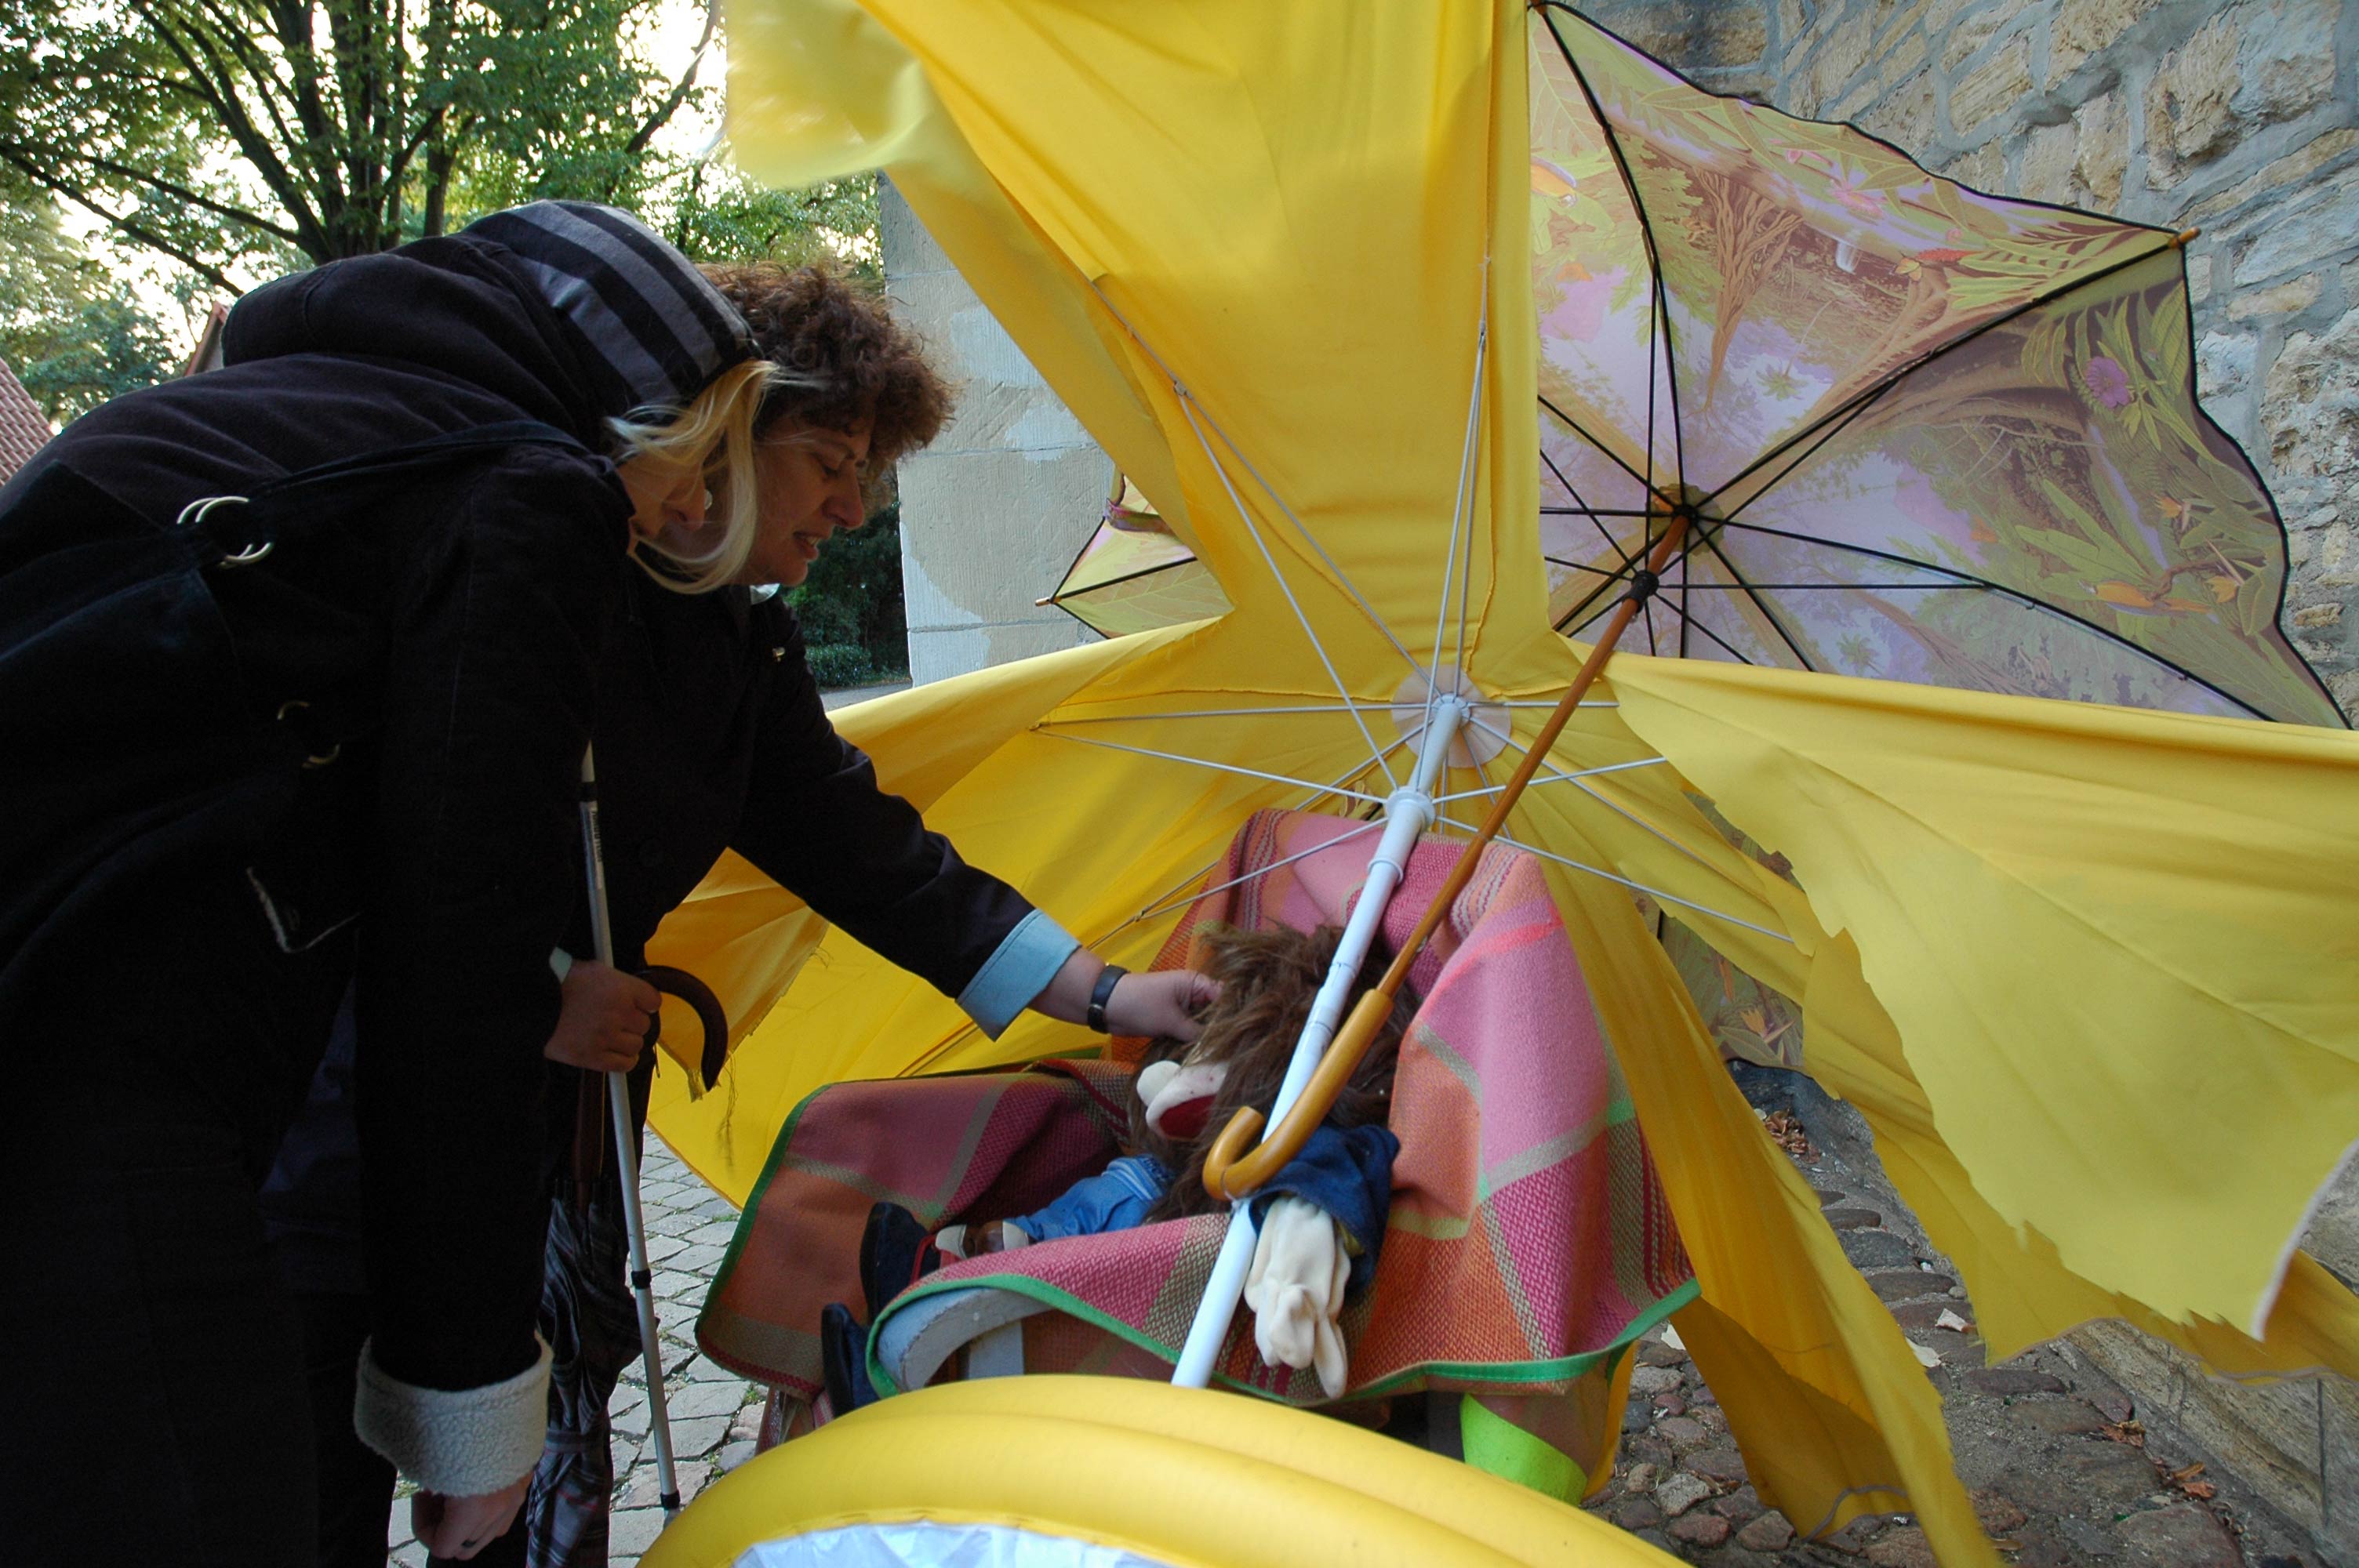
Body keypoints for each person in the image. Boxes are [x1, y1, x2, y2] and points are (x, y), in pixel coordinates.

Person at [0, 201, 1206, 1567]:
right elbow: (418, 889)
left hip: (507, 1163)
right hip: (320, 1130)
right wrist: (546, 995)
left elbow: (868, 853)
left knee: (505, 1490)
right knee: (273, 1464)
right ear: (716, 426)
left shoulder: (734, 646)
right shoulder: (519, 521)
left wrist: (1106, 987)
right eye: (829, 459)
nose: (851, 508)